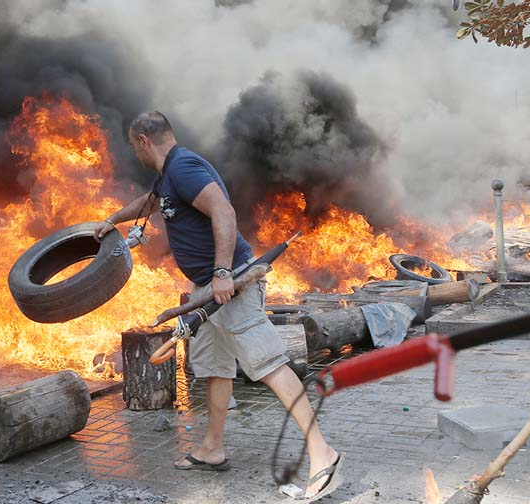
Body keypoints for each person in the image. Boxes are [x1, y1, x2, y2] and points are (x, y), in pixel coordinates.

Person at [93, 111, 343, 501]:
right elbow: (150, 201)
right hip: (204, 291)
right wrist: (114, 219)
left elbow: (224, 212)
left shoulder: (185, 168)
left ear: (143, 140)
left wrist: (224, 272)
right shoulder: (170, 174)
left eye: (132, 145)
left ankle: (324, 455)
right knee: (214, 368)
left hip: (231, 285)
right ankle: (212, 449)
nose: (134, 152)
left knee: (271, 366)